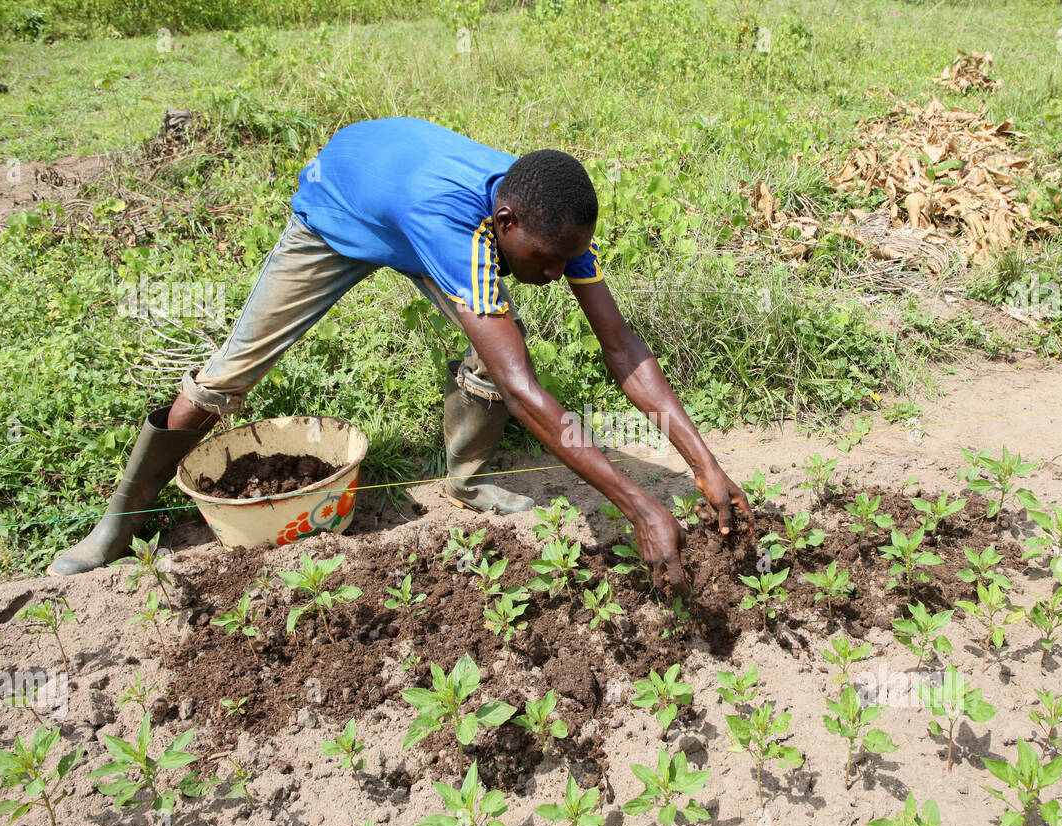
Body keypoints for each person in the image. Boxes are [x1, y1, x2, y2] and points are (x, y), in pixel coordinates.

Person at [49, 117, 754, 591]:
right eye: (542, 263)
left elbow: (622, 346)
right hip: (342, 209)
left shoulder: (552, 216)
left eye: (563, 261)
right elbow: (524, 392)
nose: (551, 275)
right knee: (233, 371)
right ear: (505, 225)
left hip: (410, 191)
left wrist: (705, 464)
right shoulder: (463, 233)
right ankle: (123, 516)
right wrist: (640, 505)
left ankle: (468, 480)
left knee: (499, 348)